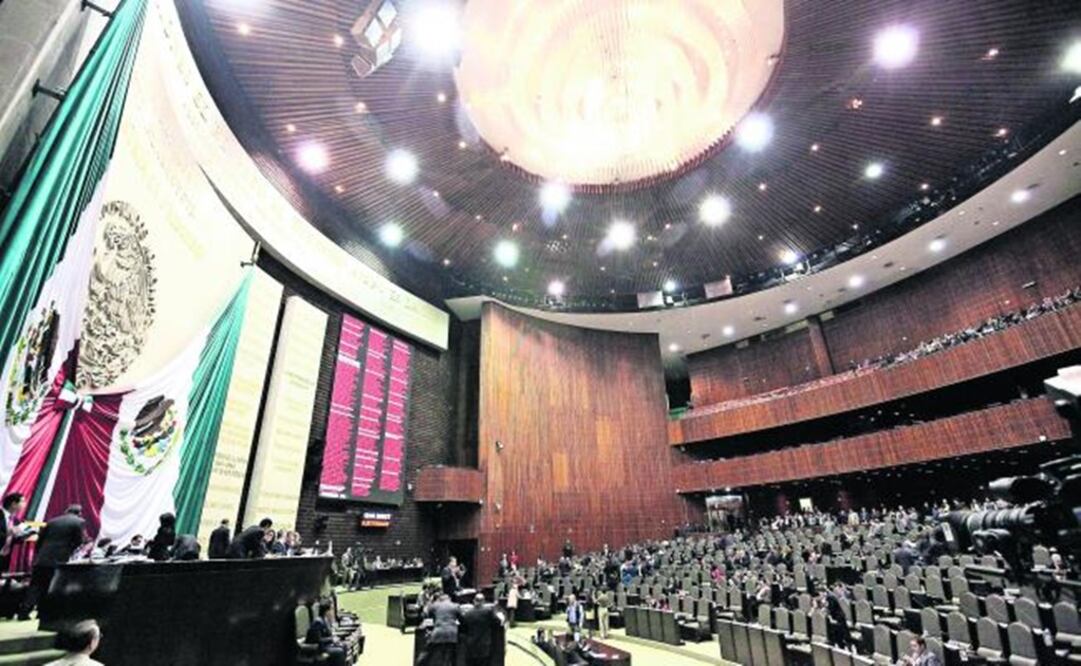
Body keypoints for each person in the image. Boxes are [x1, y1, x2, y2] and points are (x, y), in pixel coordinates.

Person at [20, 505, 86, 620]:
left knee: (35, 586)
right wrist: (69, 552)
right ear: (79, 513)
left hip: (42, 558)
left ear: (66, 511)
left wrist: (39, 554)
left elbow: (40, 540)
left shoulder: (52, 521)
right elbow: (79, 541)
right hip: (59, 559)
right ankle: (44, 613)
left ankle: (24, 611)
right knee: (51, 587)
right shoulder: (79, 522)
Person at [461, 594, 501, 666]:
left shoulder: (467, 614)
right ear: (483, 601)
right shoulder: (488, 611)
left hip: (471, 644)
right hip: (484, 644)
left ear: (474, 601)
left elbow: (463, 629)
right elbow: (497, 622)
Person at [424, 593, 462, 666]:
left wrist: (432, 601)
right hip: (452, 634)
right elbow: (462, 620)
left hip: (438, 633)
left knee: (433, 655)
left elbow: (427, 613)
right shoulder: (455, 606)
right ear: (449, 599)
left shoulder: (435, 605)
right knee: (452, 656)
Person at [305, 602, 347, 666]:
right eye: (331, 609)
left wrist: (335, 640)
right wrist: (332, 639)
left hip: (326, 646)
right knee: (339, 651)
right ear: (326, 611)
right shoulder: (318, 622)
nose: (332, 611)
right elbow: (318, 640)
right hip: (318, 649)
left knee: (344, 646)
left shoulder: (325, 620)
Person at [0, 492, 29, 572]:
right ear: (13, 504)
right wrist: (8, 533)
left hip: (5, 555)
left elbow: (17, 540)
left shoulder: (16, 520)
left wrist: (23, 535)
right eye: (22, 501)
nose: (25, 504)